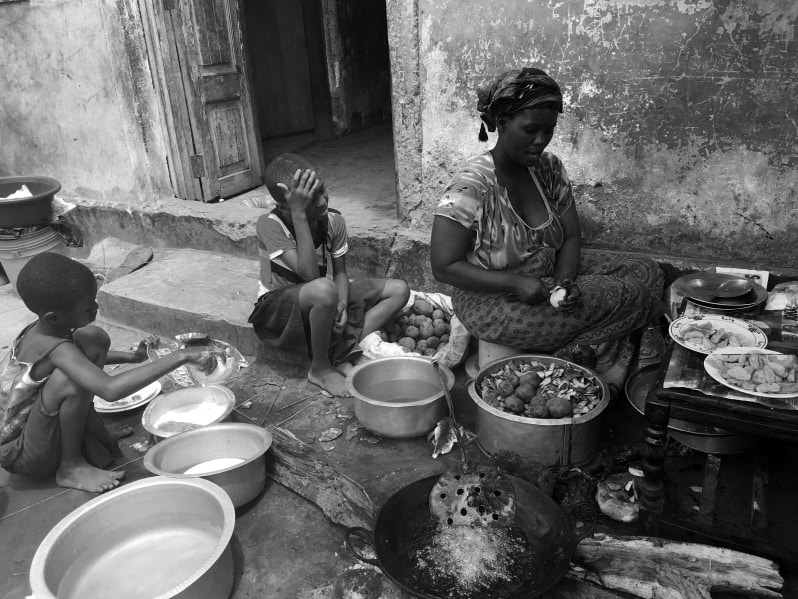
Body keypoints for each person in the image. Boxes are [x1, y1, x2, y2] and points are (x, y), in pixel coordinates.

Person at [430, 67, 665, 364]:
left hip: (544, 275)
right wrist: (513, 283)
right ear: (502, 123)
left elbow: (570, 236)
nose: (541, 140)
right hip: (490, 302)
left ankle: (588, 345)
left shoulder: (549, 168)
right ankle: (582, 356)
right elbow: (443, 266)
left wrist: (564, 283)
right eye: (530, 130)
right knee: (628, 294)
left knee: (645, 271)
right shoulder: (470, 185)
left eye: (549, 130)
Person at [0, 252, 222, 493]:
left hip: (35, 430)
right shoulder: (54, 347)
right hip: (24, 453)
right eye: (87, 307)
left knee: (93, 339)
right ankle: (71, 467)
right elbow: (110, 390)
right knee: (71, 381)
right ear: (53, 317)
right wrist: (181, 356)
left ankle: (93, 433)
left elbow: (79, 358)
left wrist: (133, 357)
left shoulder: (48, 329)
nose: (96, 308)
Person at [248, 153, 410, 397]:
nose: (323, 201)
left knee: (399, 290)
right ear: (286, 206)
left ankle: (338, 350)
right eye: (311, 201)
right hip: (279, 309)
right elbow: (310, 274)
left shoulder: (333, 220)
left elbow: (341, 274)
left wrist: (342, 304)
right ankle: (320, 368)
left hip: (325, 299)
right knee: (324, 289)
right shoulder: (269, 225)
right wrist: (300, 215)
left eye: (322, 189)